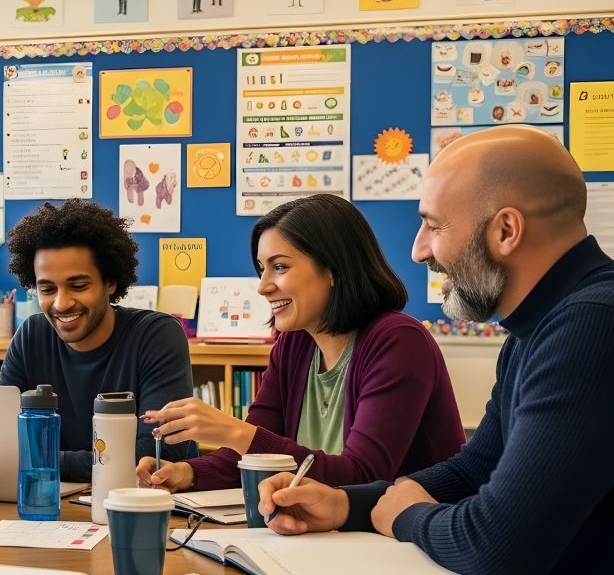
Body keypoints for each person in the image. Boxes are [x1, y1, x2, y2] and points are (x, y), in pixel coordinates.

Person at [259, 126, 614, 575]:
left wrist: (399, 517)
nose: (418, 250)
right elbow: (474, 471)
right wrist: (344, 505)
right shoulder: (537, 328)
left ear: (505, 230)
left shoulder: (591, 324)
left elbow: (500, 545)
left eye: (432, 225)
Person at [137, 194, 465, 492]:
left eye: (279, 267)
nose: (263, 286)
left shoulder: (398, 341)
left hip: (406, 541)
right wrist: (186, 472)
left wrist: (235, 433)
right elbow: (255, 457)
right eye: (261, 269)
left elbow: (364, 476)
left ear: (333, 268)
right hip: (328, 538)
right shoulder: (294, 345)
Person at [0, 199, 195, 483]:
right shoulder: (32, 335)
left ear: (110, 282)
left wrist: (41, 460)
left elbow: (152, 455)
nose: (61, 303)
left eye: (78, 286)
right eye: (47, 288)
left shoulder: (156, 336)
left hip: (138, 506)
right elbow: (0, 444)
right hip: (52, 502)